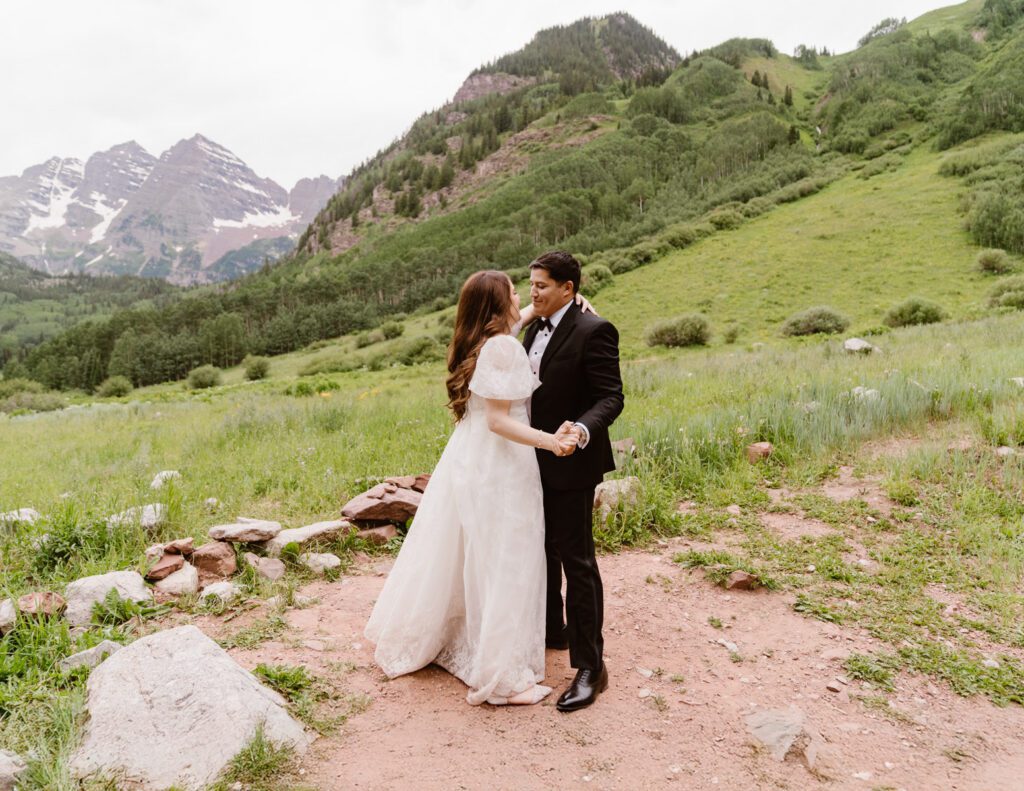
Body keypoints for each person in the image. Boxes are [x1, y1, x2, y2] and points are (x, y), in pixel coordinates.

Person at [365, 269, 579, 706]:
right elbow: (501, 421)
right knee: (508, 561)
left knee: (477, 554)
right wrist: (551, 441)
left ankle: (470, 643)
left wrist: (569, 307)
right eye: (516, 293)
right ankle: (502, 679)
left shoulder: (478, 342)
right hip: (502, 466)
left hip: (471, 458)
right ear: (499, 305)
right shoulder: (501, 347)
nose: (524, 297)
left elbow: (503, 351)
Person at [524, 251, 624, 712]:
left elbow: (611, 396)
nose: (533, 292)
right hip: (528, 462)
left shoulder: (594, 329)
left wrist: (580, 431)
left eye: (542, 285)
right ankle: (552, 630)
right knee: (540, 549)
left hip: (571, 462)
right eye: (531, 285)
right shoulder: (532, 328)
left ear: (568, 288)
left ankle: (591, 666)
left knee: (577, 559)